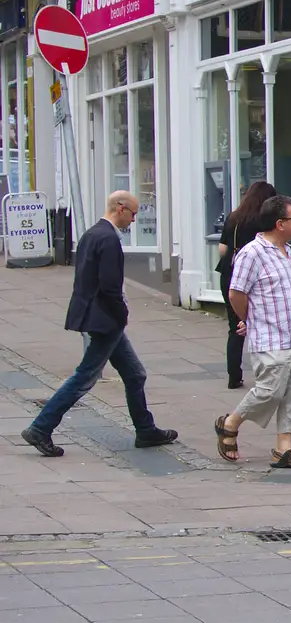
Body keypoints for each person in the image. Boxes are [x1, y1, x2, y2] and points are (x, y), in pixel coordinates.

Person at [20, 192, 179, 457]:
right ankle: (41, 427)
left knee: (134, 374)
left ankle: (145, 429)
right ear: (120, 208)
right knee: (85, 376)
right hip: (105, 319)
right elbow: (109, 286)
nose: (134, 219)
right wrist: (121, 314)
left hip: (95, 315)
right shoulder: (107, 239)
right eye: (133, 213)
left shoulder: (92, 234)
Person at [214, 195, 291, 469]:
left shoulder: (287, 250)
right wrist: (250, 318)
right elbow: (236, 293)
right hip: (271, 337)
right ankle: (230, 423)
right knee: (269, 391)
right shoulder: (253, 253)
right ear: (280, 223)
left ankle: (284, 449)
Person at [217, 181, 277, 389]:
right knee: (261, 323)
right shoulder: (263, 221)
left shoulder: (234, 217)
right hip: (255, 275)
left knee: (235, 327)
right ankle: (266, 372)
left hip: (229, 273)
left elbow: (222, 249)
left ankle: (234, 375)